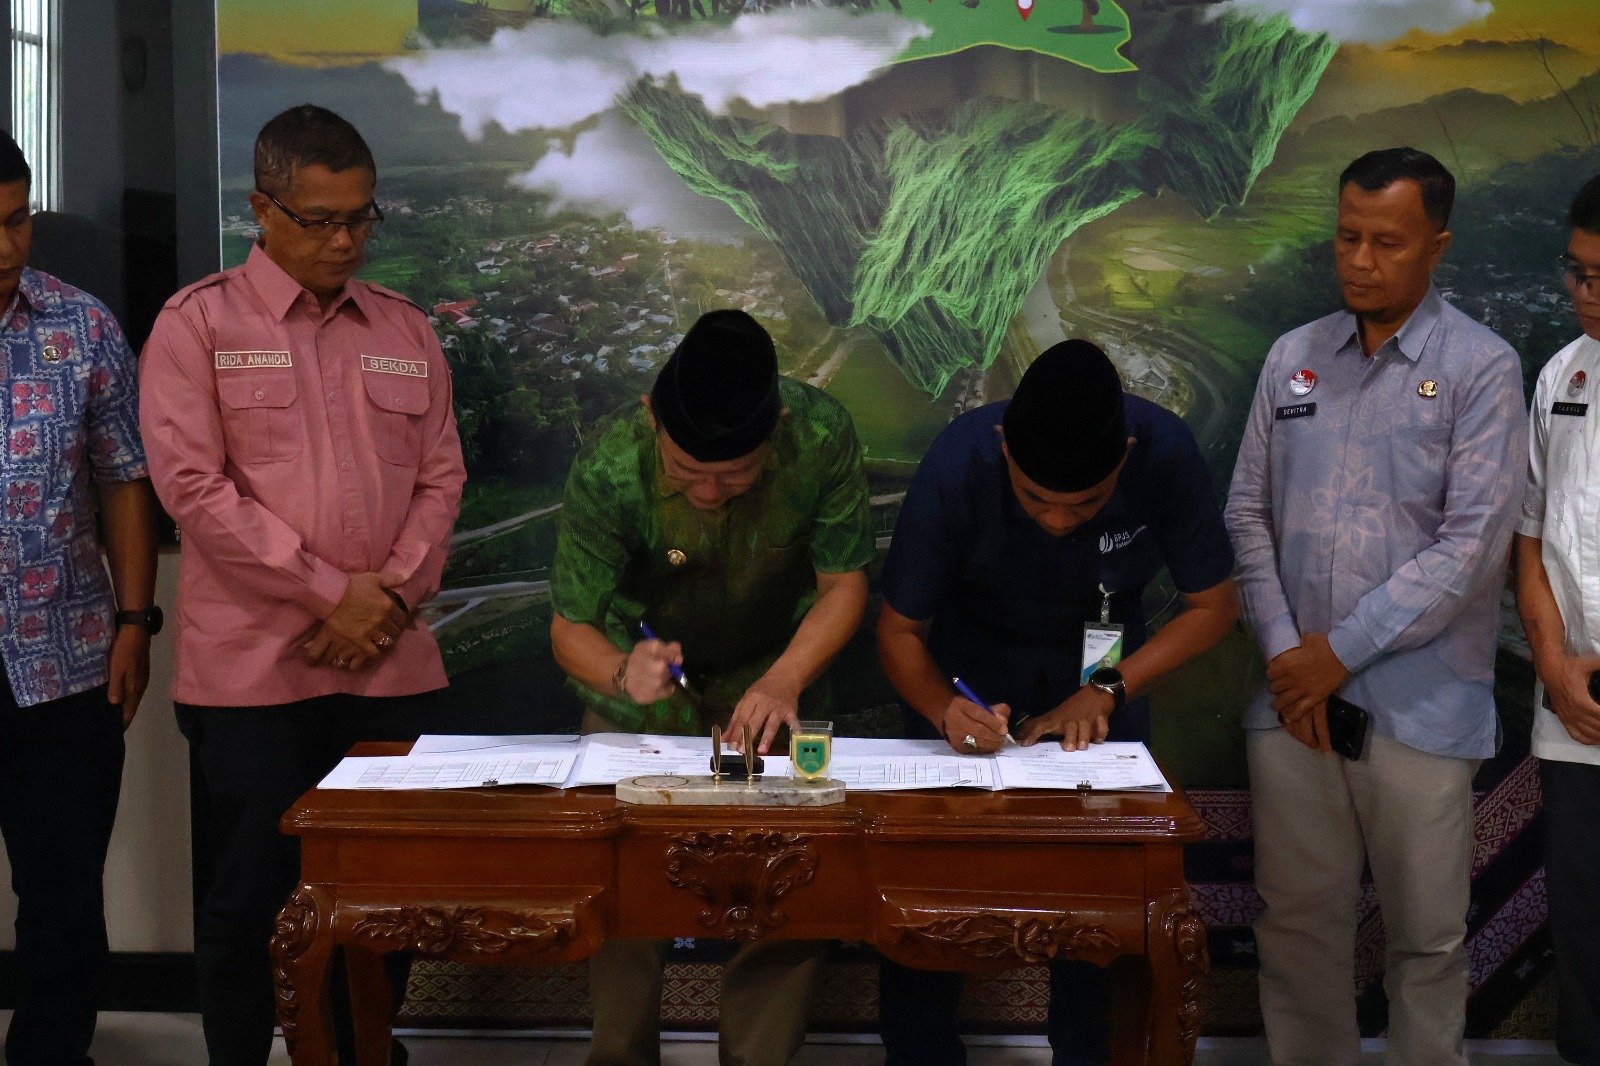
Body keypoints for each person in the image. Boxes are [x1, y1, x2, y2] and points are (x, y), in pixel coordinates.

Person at [139, 105, 465, 1064]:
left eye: (361, 218)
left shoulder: (404, 327)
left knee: (389, 895)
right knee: (251, 894)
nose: (344, 241)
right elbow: (193, 490)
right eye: (320, 220)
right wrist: (334, 596)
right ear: (262, 209)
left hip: (389, 667)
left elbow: (442, 479)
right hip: (253, 674)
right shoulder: (197, 325)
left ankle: (366, 1054)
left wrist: (388, 600)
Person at [1226, 147, 1525, 1066]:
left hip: (1421, 710)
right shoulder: (1293, 358)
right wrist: (1290, 656)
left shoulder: (1482, 368)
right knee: (1295, 926)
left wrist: (1337, 654)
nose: (1359, 260)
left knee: (1427, 940)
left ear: (1437, 245)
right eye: (1347, 237)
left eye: (1386, 242)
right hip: (1293, 708)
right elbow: (1246, 515)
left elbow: (1470, 549)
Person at [874, 338, 1238, 1065]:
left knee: (1102, 910)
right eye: (1036, 498)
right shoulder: (959, 460)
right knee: (928, 903)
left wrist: (1103, 691)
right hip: (968, 678)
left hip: (1105, 677)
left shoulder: (1164, 450)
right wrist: (944, 708)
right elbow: (899, 631)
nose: (1059, 521)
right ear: (1005, 445)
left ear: (1125, 455)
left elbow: (1213, 606)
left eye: (1087, 504)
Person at [550, 308, 873, 1066]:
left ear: (777, 428)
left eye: (733, 475)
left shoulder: (821, 434)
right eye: (685, 470)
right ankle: (620, 1057)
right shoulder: (610, 459)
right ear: (652, 416)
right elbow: (571, 625)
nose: (707, 492)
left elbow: (844, 585)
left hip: (780, 675)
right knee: (622, 884)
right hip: (643, 683)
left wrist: (786, 678)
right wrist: (620, 671)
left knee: (793, 880)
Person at [0, 128, 160, 1066]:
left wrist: (135, 622)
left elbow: (123, 478)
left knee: (61, 893)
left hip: (62, 659)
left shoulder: (82, 325)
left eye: (17, 219)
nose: (6, 246)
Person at [1513, 172, 1600, 1066]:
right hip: (1574, 706)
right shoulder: (1563, 372)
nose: (1585, 292)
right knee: (1584, 925)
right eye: (1576, 272)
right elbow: (1530, 540)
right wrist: (1551, 664)